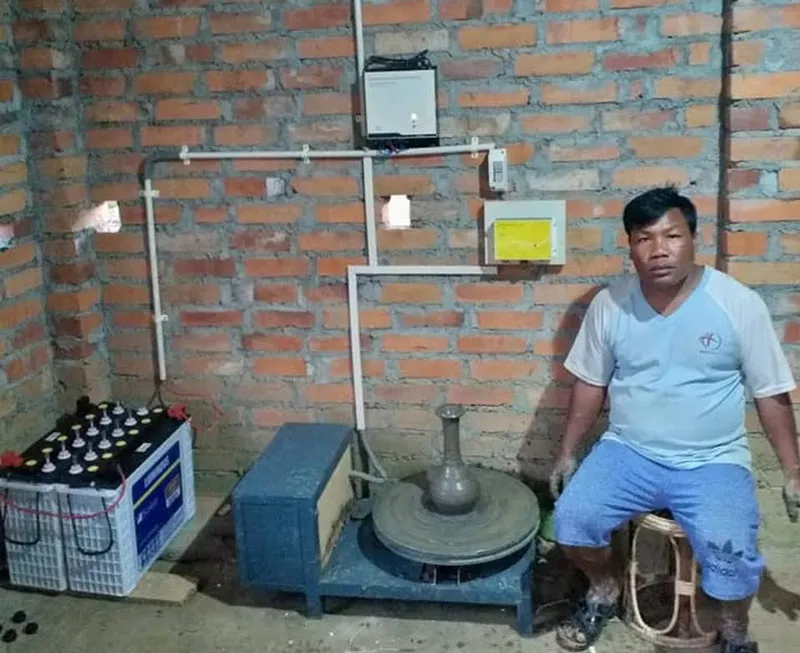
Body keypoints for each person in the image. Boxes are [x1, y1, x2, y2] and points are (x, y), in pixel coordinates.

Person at [548, 186, 800, 653]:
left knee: (731, 555)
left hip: (713, 461)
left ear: (693, 238)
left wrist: (792, 471)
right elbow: (588, 384)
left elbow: (770, 393)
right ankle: (604, 590)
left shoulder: (737, 303)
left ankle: (735, 633)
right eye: (644, 238)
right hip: (629, 452)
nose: (658, 250)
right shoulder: (611, 304)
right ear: (630, 246)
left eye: (671, 235)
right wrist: (567, 453)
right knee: (571, 522)